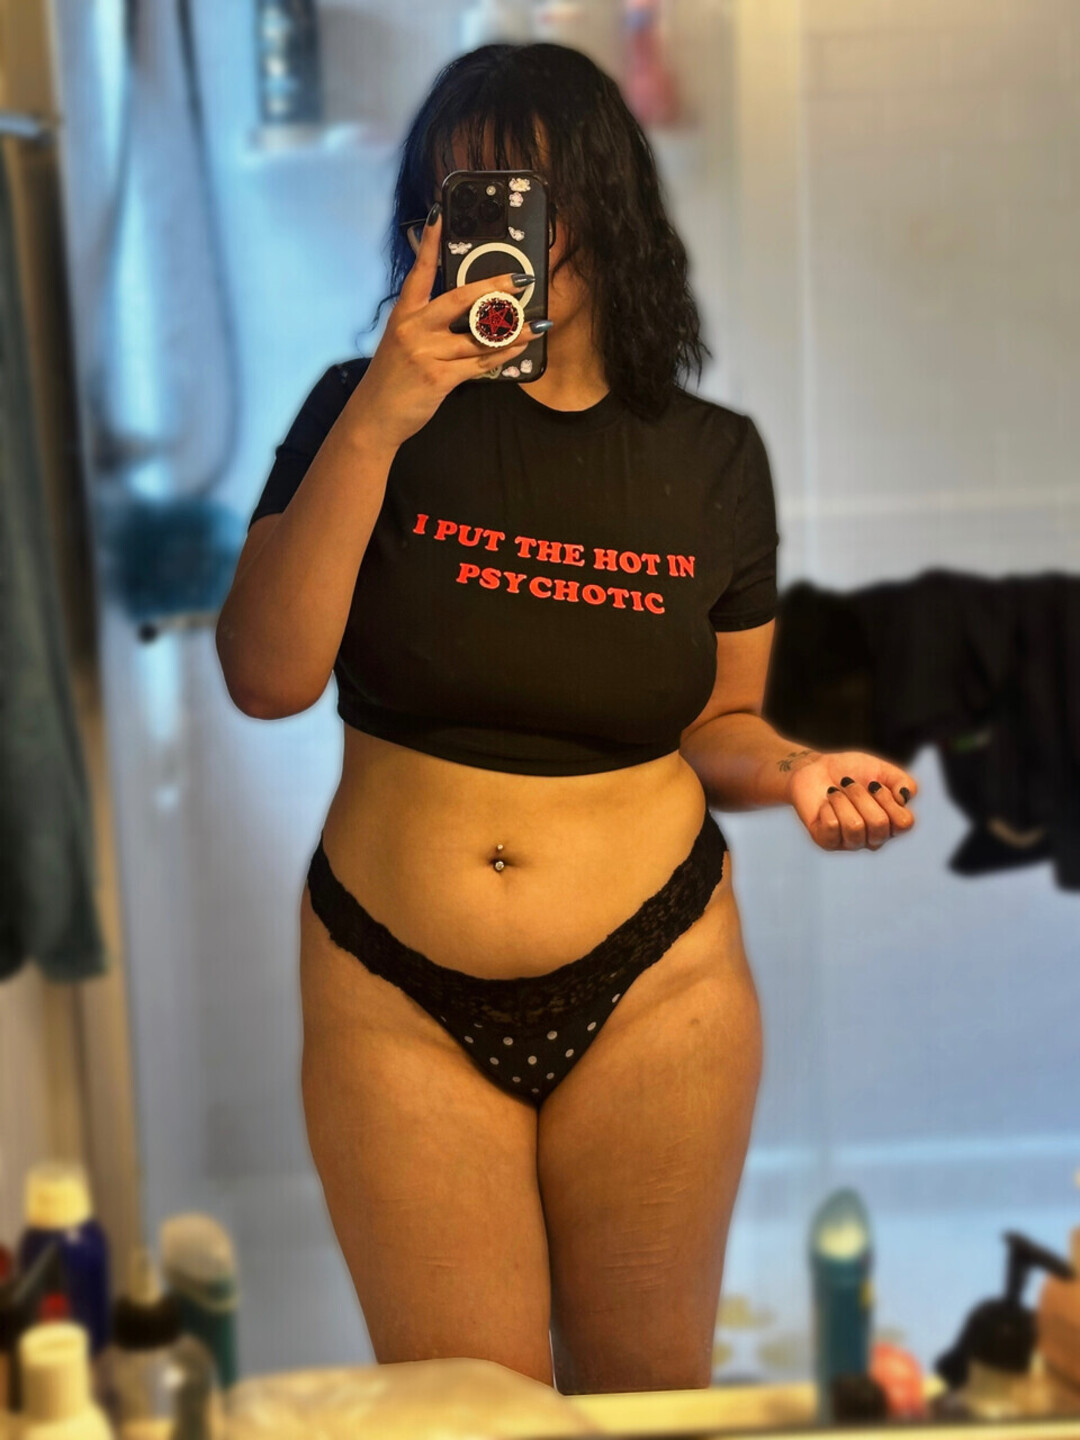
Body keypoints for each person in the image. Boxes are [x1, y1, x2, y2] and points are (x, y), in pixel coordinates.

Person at [215, 43, 918, 1396]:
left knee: (647, 1398)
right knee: (466, 1413)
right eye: (459, 198)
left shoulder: (712, 459)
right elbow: (266, 677)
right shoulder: (356, 414)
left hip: (660, 983)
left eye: (526, 196)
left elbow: (719, 726)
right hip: (393, 988)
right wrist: (384, 412)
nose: (498, 234)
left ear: (604, 209)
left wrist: (800, 769)